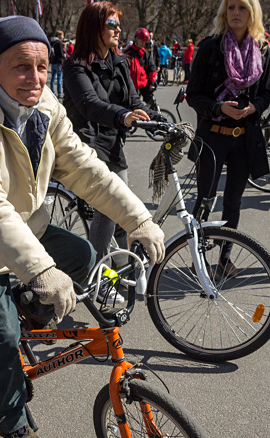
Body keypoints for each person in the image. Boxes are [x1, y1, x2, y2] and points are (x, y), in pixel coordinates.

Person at [0, 14, 165, 438]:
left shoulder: (45, 107)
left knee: (86, 255)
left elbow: (87, 170)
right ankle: (10, 418)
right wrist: (40, 270)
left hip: (26, 230)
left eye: (41, 65)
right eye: (21, 66)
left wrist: (139, 220)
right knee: (1, 333)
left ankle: (29, 307)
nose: (35, 77)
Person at [63, 1, 164, 304]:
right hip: (85, 147)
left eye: (119, 24)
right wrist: (123, 116)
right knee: (109, 213)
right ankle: (93, 280)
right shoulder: (75, 66)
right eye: (112, 24)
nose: (119, 30)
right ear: (94, 27)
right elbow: (89, 105)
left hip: (112, 145)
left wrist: (160, 122)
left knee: (121, 210)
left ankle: (122, 265)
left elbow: (135, 101)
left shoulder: (119, 62)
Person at [186, 0, 270, 278]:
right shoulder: (211, 46)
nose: (236, 13)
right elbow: (194, 93)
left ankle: (224, 258)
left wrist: (254, 107)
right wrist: (217, 108)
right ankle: (198, 259)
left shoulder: (262, 49)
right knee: (204, 199)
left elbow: (266, 92)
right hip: (213, 136)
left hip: (244, 139)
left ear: (252, 13)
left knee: (233, 202)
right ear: (225, 12)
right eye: (231, 7)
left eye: (242, 8)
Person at [125, 28, 157, 103]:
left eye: (145, 42)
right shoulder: (128, 53)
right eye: (142, 41)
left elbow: (152, 68)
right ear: (136, 39)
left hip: (144, 84)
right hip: (132, 86)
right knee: (134, 106)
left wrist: (152, 82)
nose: (143, 44)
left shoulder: (145, 54)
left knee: (152, 104)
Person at [49, 30, 66, 98]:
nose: (63, 37)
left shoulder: (51, 42)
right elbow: (61, 54)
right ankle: (59, 93)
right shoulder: (59, 43)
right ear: (59, 36)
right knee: (59, 78)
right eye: (62, 35)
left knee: (52, 78)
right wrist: (64, 56)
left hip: (53, 62)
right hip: (59, 63)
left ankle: (52, 91)